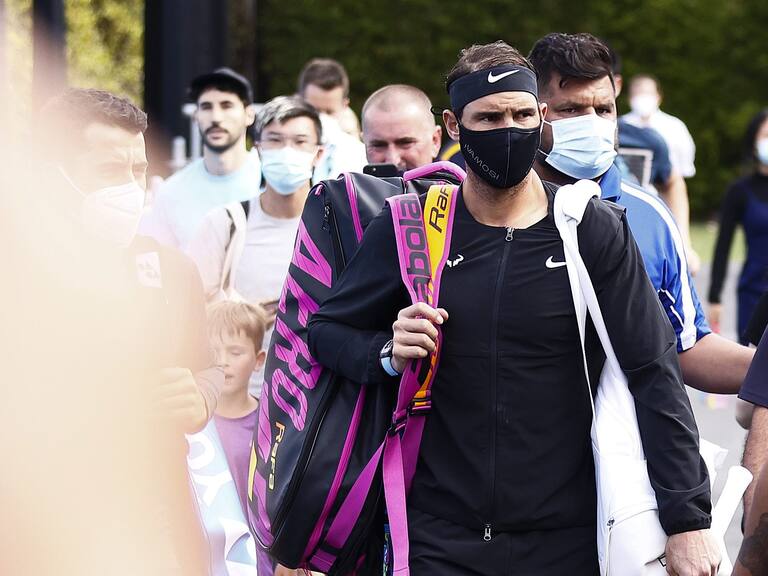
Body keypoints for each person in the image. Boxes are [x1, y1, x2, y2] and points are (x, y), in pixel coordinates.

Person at [307, 40, 717, 575]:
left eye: (522, 114)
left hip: (567, 537)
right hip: (438, 534)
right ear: (453, 126)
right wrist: (386, 351)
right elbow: (327, 330)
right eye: (490, 117)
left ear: (541, 117)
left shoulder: (590, 227)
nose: (509, 129)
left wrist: (687, 520)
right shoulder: (413, 225)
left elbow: (653, 373)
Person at [25, 88, 222, 574]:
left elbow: (207, 366)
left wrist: (199, 395)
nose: (133, 188)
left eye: (139, 169)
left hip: (154, 521)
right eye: (111, 172)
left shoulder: (171, 269)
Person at [529, 32, 753, 397]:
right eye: (570, 110)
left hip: (626, 448)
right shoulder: (497, 210)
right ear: (534, 113)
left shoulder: (649, 216)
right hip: (522, 442)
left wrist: (759, 371)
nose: (592, 122)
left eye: (603, 109)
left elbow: (686, 348)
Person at [187, 95, 323, 395]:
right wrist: (242, 316)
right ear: (258, 149)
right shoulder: (226, 223)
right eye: (275, 140)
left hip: (313, 398)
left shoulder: (335, 226)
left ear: (318, 153)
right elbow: (190, 311)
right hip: (239, 398)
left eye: (300, 141)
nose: (287, 151)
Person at [140, 67, 261, 249]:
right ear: (196, 116)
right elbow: (165, 265)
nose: (216, 117)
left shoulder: (271, 181)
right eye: (206, 107)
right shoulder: (171, 191)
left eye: (227, 105)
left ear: (249, 114)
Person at [708, 109, 768, 342]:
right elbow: (723, 246)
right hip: (754, 289)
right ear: (753, 141)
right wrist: (715, 296)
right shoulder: (740, 191)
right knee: (751, 366)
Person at [297, 58, 366, 182]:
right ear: (299, 101)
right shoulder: (281, 149)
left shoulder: (359, 156)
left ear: (345, 106)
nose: (321, 119)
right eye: (314, 110)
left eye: (329, 112)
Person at [361, 84, 442, 172]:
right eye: (379, 145)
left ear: (435, 141)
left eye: (405, 143)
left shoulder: (457, 184)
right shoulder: (347, 184)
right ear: (363, 144)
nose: (393, 160)